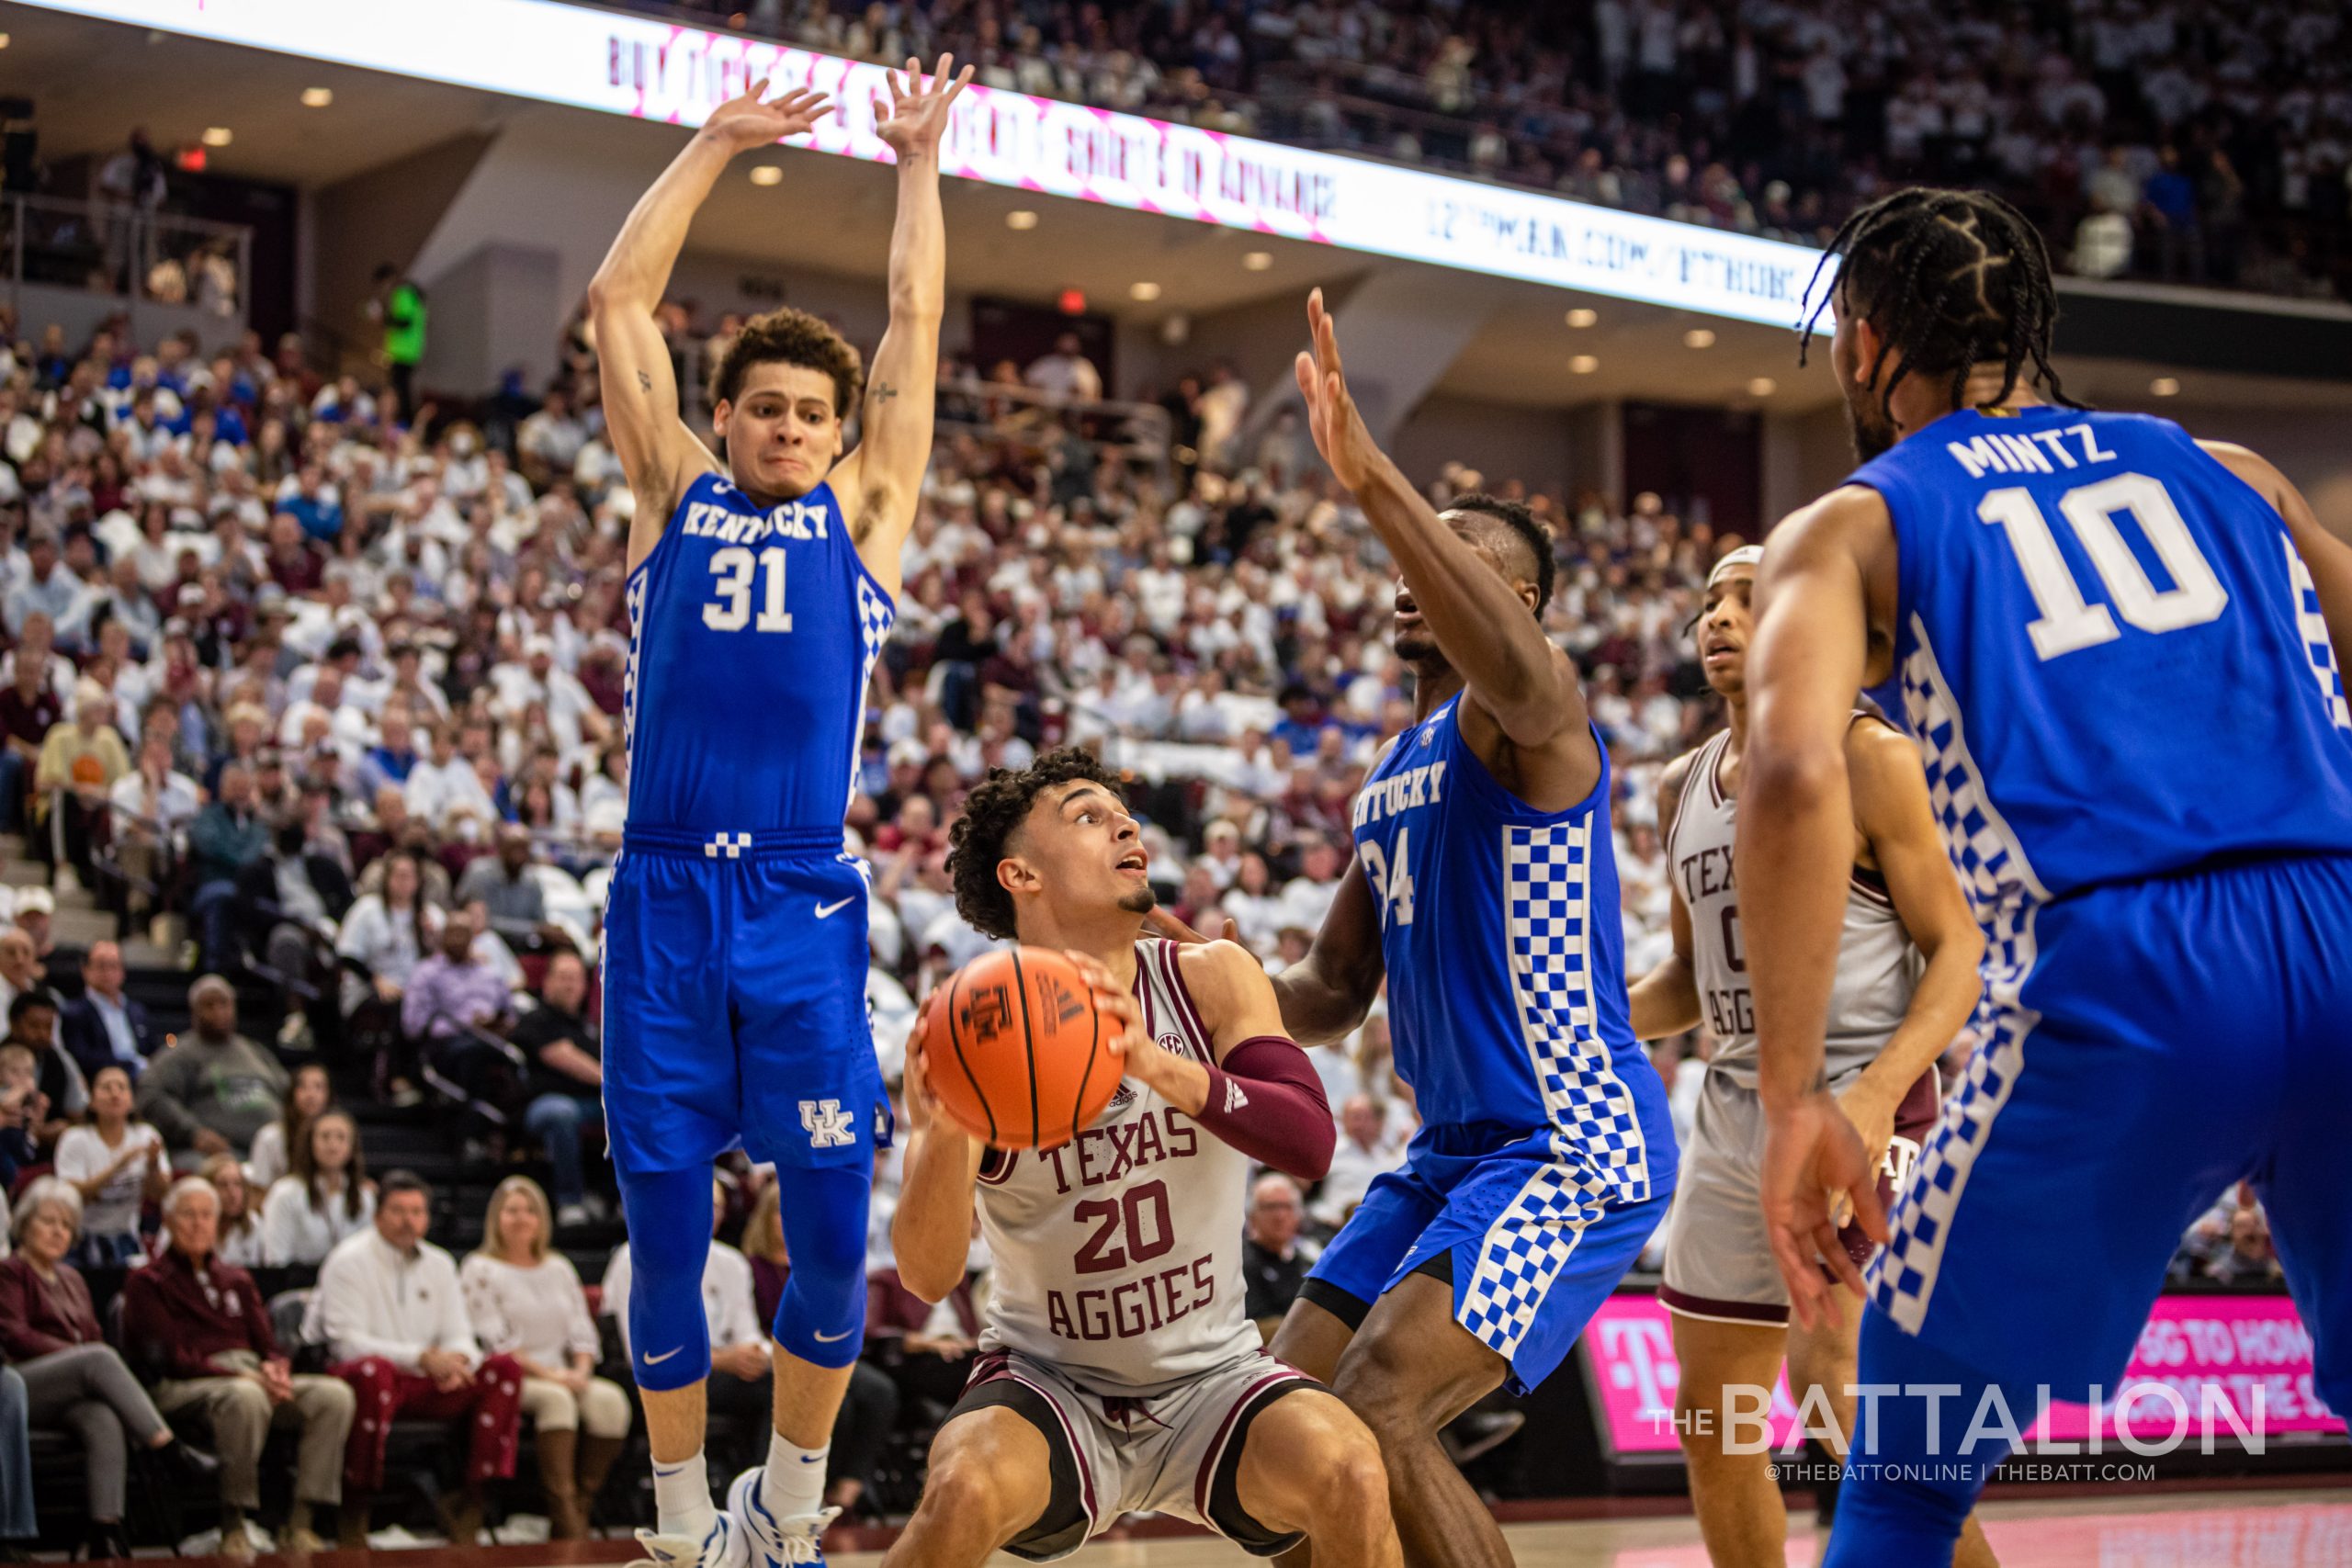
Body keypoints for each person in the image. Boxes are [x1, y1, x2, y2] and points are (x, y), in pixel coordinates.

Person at [1741, 187, 2352, 1567]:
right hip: (2341, 915)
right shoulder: (2238, 471)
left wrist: (1795, 1100)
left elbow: (1789, 777)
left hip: (2128, 963)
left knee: (1905, 1474)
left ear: (1864, 340)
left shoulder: (1857, 523)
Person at [1157, 295, 1674, 1568]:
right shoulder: (1393, 770)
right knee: (1274, 1441)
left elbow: (1515, 662)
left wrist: (1374, 476)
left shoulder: (1538, 719)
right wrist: (1169, 982)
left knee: (1383, 1413)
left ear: (1518, 602)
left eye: (1453, 558)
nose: (1412, 572)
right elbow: (1330, 987)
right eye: (1412, 554)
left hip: (1570, 1137)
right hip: (1452, 1152)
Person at [586, 57, 967, 1568]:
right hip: (667, 894)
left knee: (827, 1230)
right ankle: (682, 1523)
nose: (796, 428)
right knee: (670, 1230)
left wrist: (918, 166)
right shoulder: (669, 497)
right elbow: (620, 309)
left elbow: (919, 327)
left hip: (804, 899)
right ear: (728, 417)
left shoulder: (864, 517)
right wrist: (716, 142)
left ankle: (790, 1511)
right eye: (770, 408)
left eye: (818, 410)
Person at [884, 749, 1397, 1568]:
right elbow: (925, 1271)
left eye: (1122, 811)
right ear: (1021, 874)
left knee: (1350, 1467)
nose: (1125, 823)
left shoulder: (1211, 978)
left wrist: (1162, 1067)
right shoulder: (971, 1026)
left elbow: (1310, 1142)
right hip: (1051, 1383)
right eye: (1087, 815)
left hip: (1213, 1377)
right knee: (959, 1492)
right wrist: (946, 1128)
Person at [1624, 546, 1993, 1568]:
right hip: (1734, 1107)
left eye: (1752, 598)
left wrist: (1879, 1093)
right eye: (1709, 601)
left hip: (1861, 1100)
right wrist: (1582, 1014)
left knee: (1836, 1384)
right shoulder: (1677, 786)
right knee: (1711, 1415)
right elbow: (1690, 980)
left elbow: (1962, 951)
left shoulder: (1870, 756)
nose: (1722, 617)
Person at [121, 1175, 357, 1559]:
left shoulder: (237, 1279)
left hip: (249, 1375)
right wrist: (243, 1377)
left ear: (218, 1222)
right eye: (188, 1215)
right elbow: (170, 1358)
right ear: (168, 1220)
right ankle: (234, 1520)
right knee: (245, 1397)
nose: (199, 1224)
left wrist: (277, 1371)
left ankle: (301, 1522)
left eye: (206, 1215)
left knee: (334, 1396)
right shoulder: (146, 1282)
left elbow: (269, 1344)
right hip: (183, 1384)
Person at [0, 1179, 219, 1561]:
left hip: (71, 1390)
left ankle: (106, 1531)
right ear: (24, 1224)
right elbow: (15, 1336)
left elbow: (94, 1334)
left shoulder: (72, 1279)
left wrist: (82, 1361)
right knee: (98, 1358)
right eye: (48, 1221)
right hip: (21, 1385)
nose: (57, 1231)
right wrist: (77, 1357)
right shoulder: (10, 1272)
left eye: (66, 1225)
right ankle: (169, 1450)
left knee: (102, 1416)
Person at [308, 1171, 524, 1549]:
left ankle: (471, 1501)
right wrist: (421, 1358)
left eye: (417, 1211)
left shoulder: (439, 1264)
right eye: (398, 1211)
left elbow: (460, 1332)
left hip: (427, 1381)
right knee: (373, 1373)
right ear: (378, 1215)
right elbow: (346, 1344)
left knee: (504, 1369)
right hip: (371, 1380)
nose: (409, 1220)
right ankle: (354, 1509)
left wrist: (459, 1361)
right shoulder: (348, 1260)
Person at [458, 1177, 630, 1540]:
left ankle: (582, 1504)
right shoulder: (479, 1268)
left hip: (564, 1371)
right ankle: (566, 1514)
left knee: (611, 1402)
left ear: (542, 1218)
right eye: (512, 1210)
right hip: (513, 1376)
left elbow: (582, 1330)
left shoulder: (558, 1267)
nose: (521, 1218)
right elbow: (494, 1341)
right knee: (557, 1402)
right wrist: (550, 1376)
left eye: (530, 1210)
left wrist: (581, 1370)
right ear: (496, 1218)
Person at [737, 1180, 899, 1522]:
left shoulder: (817, 1267)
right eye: (783, 1214)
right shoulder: (750, 1267)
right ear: (766, 1218)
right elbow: (749, 1326)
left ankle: (849, 1487)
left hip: (822, 1352)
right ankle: (802, 1493)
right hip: (774, 1356)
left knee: (880, 1391)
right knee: (838, 1403)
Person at [137, 975, 288, 1167]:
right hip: (222, 1153)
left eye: (224, 1004)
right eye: (209, 1005)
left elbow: (290, 1092)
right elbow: (150, 1092)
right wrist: (193, 1132)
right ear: (194, 1011)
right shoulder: (181, 1054)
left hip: (273, 1149)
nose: (218, 1011)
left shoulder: (254, 1050)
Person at [505, 951, 605, 1227]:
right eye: (562, 977)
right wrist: (612, 1084)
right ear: (546, 982)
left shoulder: (589, 1027)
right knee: (561, 1112)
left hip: (591, 1103)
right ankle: (569, 1201)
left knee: (632, 1114)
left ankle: (615, 1198)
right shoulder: (537, 1019)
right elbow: (562, 1056)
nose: (569, 985)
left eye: (575, 979)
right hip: (542, 1104)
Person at [52, 1065, 169, 1266]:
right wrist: (118, 1166)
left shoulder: (146, 1135)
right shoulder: (75, 1139)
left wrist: (152, 1165)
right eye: (106, 1087)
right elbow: (72, 1197)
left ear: (131, 1100)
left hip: (127, 1236)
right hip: (80, 1238)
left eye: (122, 1087)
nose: (115, 1093)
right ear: (91, 1100)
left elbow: (160, 1193)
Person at [259, 1109, 374, 1266]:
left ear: (352, 1147)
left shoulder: (364, 1197)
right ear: (310, 1143)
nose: (333, 1146)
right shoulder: (285, 1193)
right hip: (298, 1283)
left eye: (341, 1137)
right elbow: (276, 1258)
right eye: (325, 1137)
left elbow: (367, 1257)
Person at [61, 942, 162, 1084]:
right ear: (85, 970)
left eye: (114, 966)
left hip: (143, 1079)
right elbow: (81, 1057)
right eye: (101, 966)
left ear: (123, 971)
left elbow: (153, 1049)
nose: (108, 973)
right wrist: (129, 1066)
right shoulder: (75, 1012)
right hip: (102, 1081)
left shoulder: (137, 1011)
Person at [1242, 1173, 1316, 1340]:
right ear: (1252, 1216)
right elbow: (1255, 1324)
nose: (1280, 1216)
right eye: (1270, 1207)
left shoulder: (1308, 1255)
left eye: (1287, 1206)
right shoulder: (1243, 1261)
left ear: (1298, 1215)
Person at [246, 1061, 332, 1194]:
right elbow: (258, 1189)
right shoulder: (269, 1136)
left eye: (318, 1087)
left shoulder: (335, 1138)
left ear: (329, 1095)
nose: (310, 1095)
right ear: (292, 1093)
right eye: (302, 1086)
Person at [200, 1152, 269, 1269]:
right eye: (223, 1185)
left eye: (238, 1184)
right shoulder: (192, 1225)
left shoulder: (255, 1224)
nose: (232, 1194)